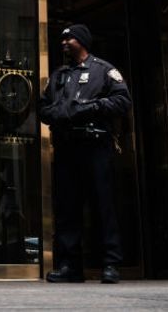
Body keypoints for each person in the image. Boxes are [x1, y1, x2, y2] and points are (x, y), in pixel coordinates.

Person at [38, 24, 131, 284]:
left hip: (95, 147)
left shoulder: (103, 70)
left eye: (69, 38)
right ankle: (70, 266)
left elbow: (123, 101)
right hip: (67, 149)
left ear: (83, 41)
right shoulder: (59, 75)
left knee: (103, 207)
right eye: (62, 38)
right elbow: (44, 108)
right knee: (67, 209)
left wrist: (90, 107)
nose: (64, 42)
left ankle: (110, 264)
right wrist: (62, 114)